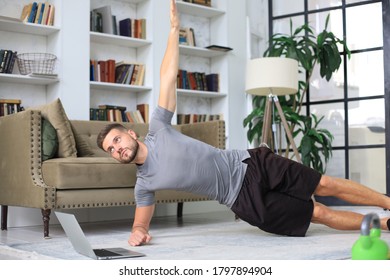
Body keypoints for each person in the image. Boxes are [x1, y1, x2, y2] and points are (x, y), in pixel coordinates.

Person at [97, 0, 390, 247]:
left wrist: (174, 30)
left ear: (131, 133)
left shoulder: (158, 127)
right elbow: (140, 222)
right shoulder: (144, 184)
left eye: (117, 140)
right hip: (242, 201)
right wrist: (138, 232)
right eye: (111, 149)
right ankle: (387, 225)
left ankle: (387, 202)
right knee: (318, 213)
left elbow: (166, 77)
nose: (117, 149)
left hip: (251, 164)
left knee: (323, 183)